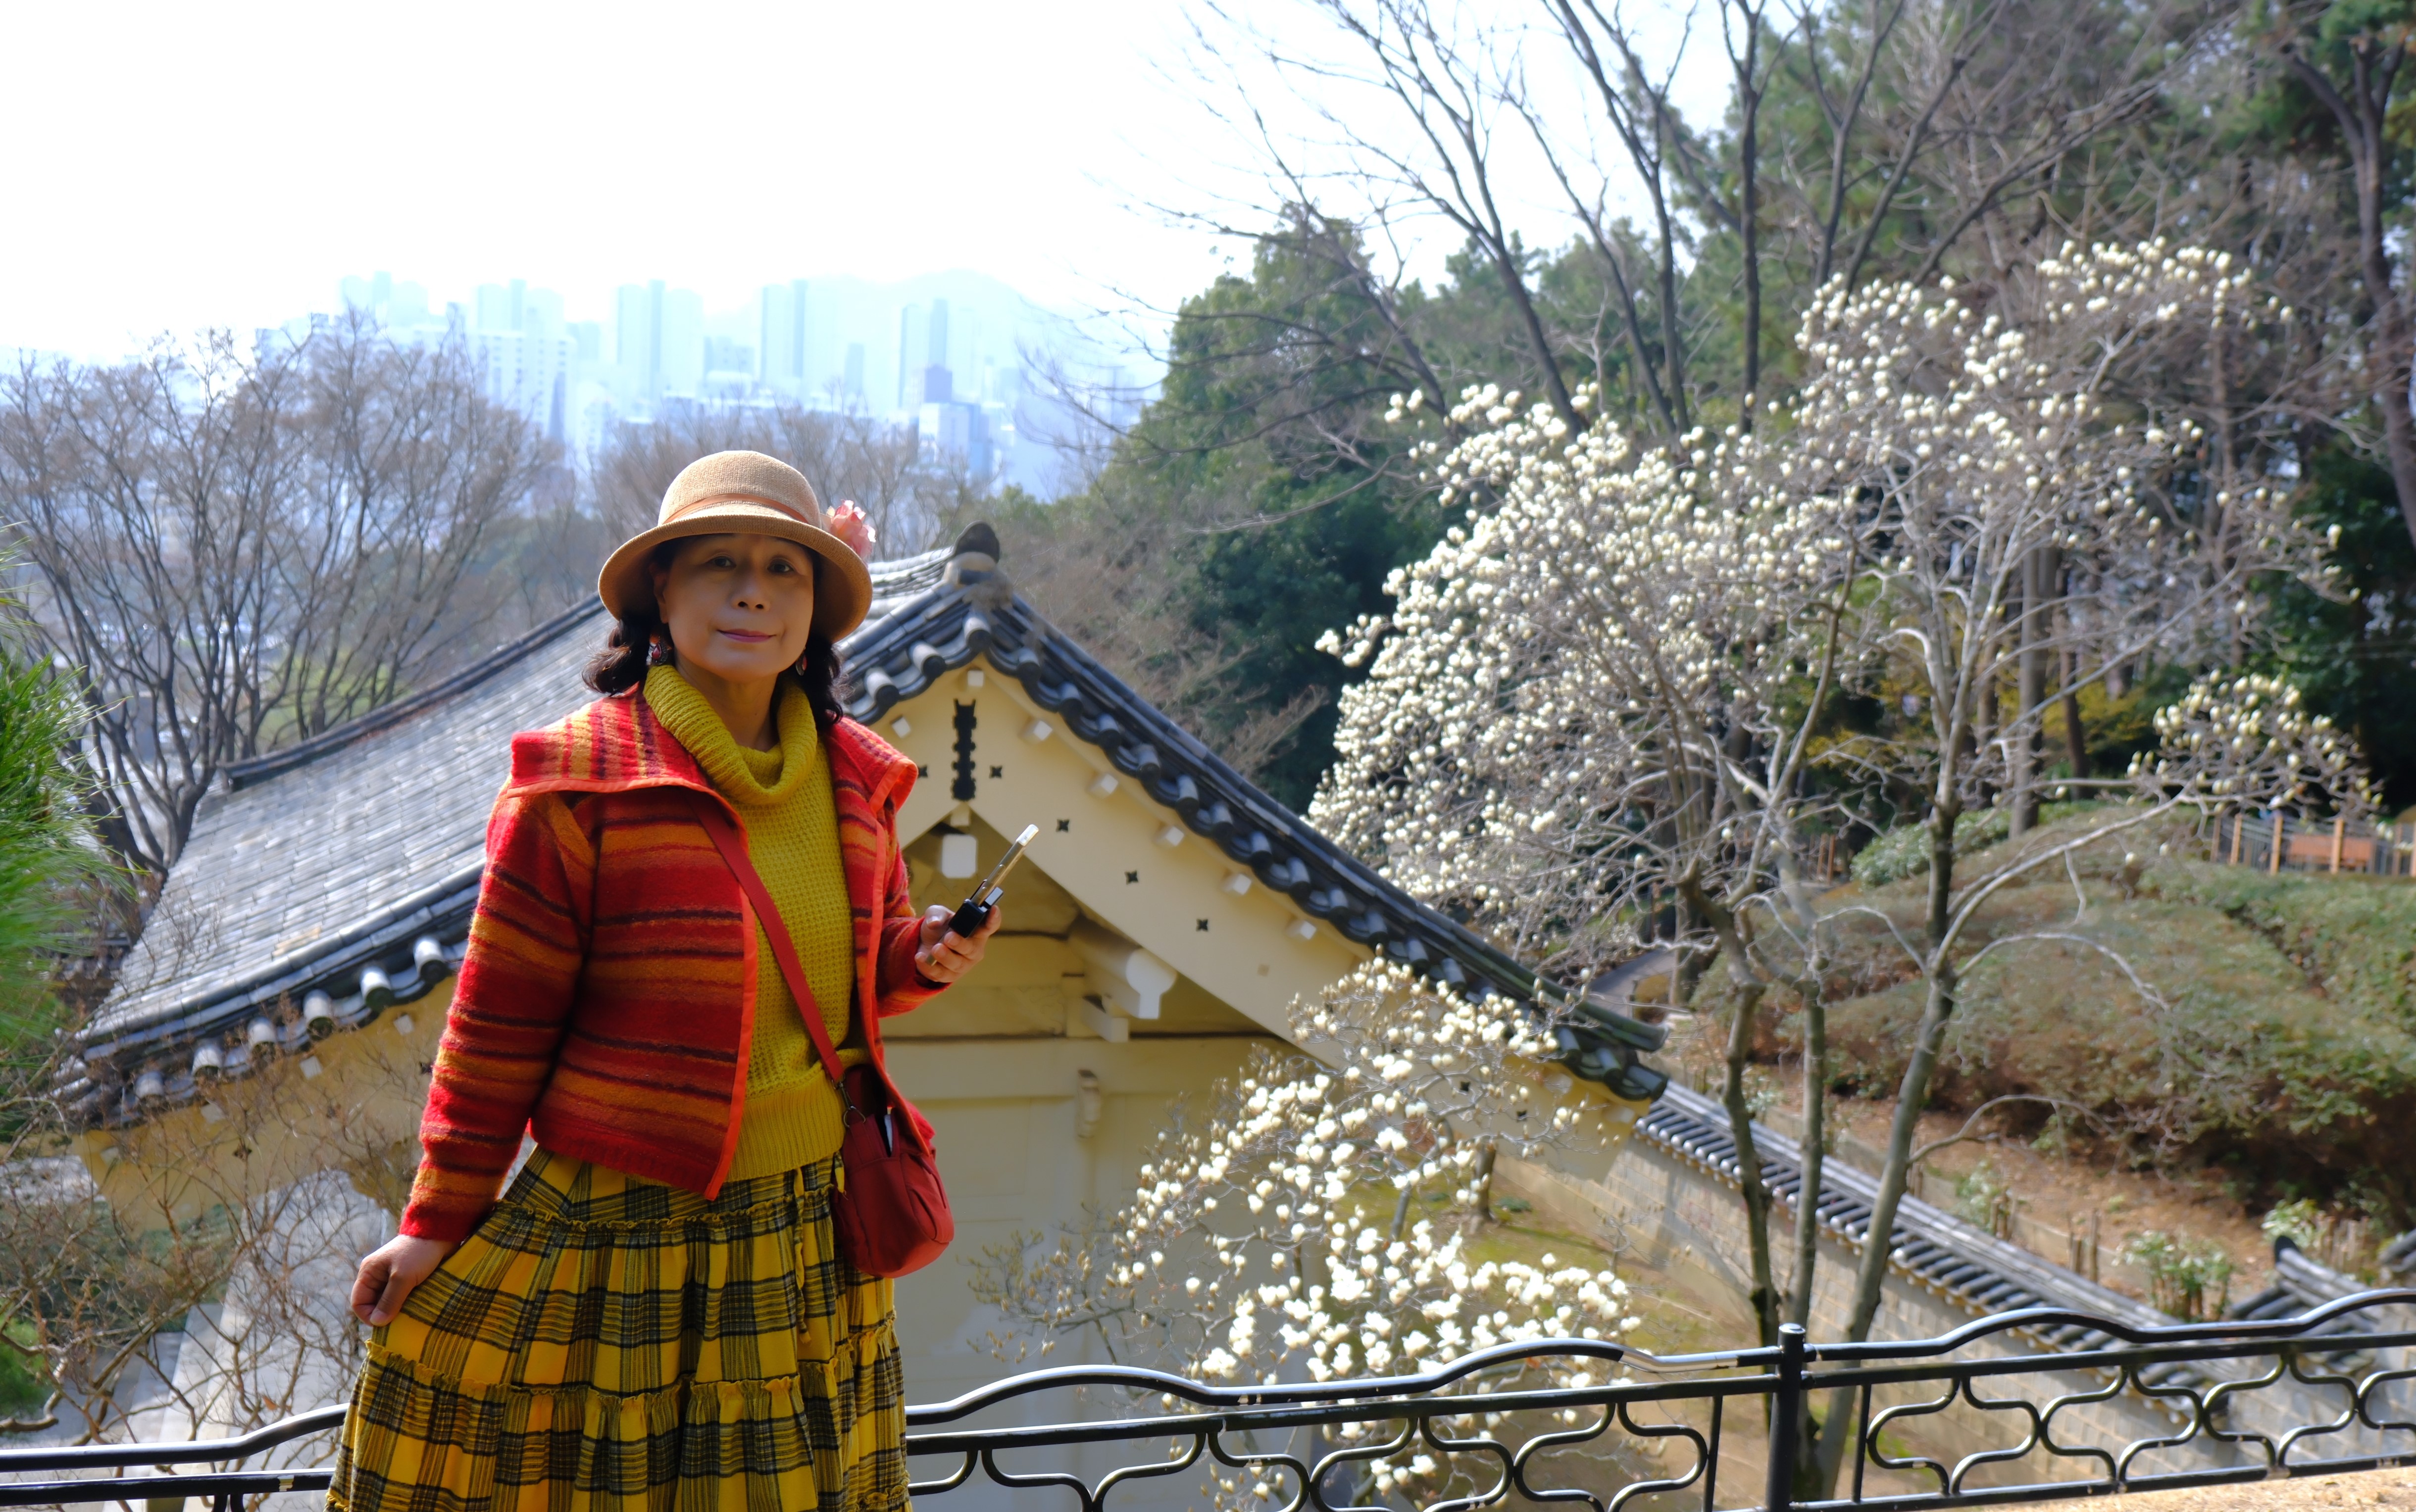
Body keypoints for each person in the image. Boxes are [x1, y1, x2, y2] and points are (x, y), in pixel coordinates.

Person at [331, 450, 997, 1512]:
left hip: (808, 1233)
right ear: (661, 594)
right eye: (720, 563)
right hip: (627, 1235)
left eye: (784, 569)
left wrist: (919, 958)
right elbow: (498, 1025)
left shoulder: (856, 777)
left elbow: (854, 974)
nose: (753, 592)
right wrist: (437, 1219)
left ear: (815, 609)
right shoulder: (580, 785)